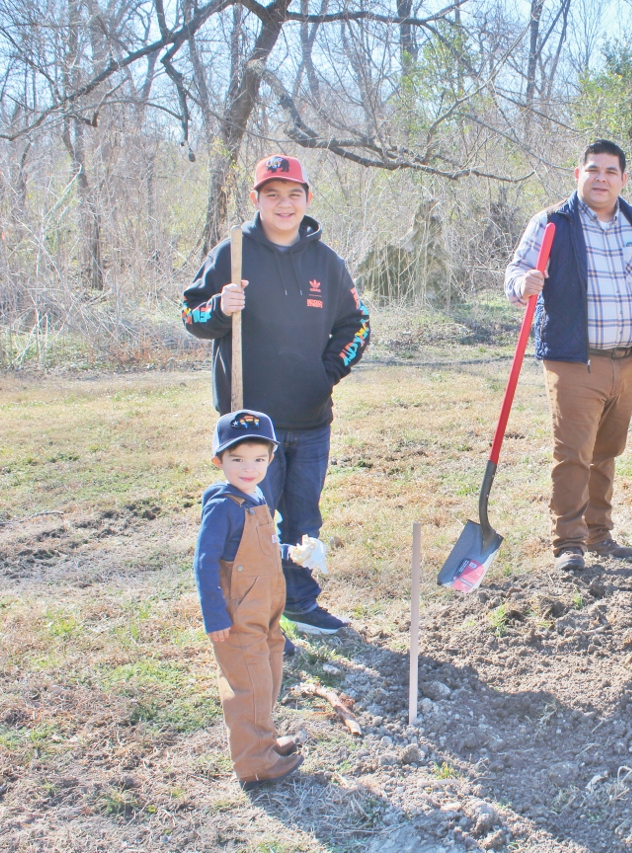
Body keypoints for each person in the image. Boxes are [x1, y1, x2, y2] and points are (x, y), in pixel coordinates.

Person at [183, 154, 370, 633]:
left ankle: (300, 603)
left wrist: (325, 374)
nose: (283, 204)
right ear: (256, 200)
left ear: (307, 199)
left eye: (293, 194)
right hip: (250, 424)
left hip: (310, 420)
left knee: (304, 518)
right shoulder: (233, 253)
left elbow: (358, 324)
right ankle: (253, 614)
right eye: (272, 195)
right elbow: (191, 317)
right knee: (250, 523)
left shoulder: (327, 264)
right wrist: (220, 309)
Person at [505, 139, 632, 571]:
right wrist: (522, 284)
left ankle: (600, 534)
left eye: (610, 171)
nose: (601, 178)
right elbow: (514, 273)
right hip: (573, 359)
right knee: (574, 453)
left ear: (624, 178)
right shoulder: (552, 223)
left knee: (606, 450)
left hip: (627, 361)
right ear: (577, 175)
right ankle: (569, 543)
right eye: (593, 170)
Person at [194, 409, 325, 789]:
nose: (248, 468)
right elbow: (205, 563)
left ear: (271, 458)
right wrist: (214, 616)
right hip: (237, 614)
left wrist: (291, 552)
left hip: (267, 609)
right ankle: (254, 765)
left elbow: (261, 546)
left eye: (258, 459)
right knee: (248, 685)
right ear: (219, 461)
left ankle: (263, 741)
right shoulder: (223, 507)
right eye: (237, 460)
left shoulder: (256, 497)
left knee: (267, 676)